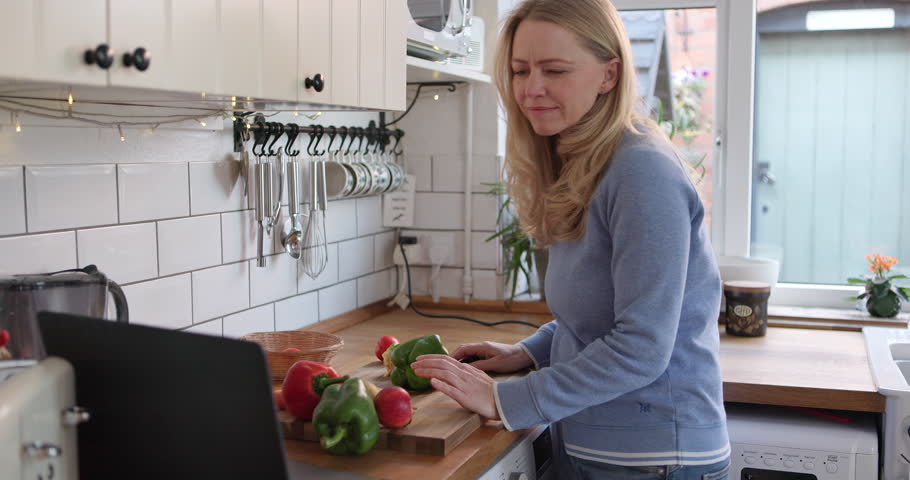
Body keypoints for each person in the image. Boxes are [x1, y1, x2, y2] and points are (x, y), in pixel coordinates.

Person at [410, 0, 730, 478]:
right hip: (604, 449)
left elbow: (641, 345)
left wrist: (506, 398)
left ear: (609, 74)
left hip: (655, 459)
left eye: (555, 70)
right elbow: (600, 313)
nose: (531, 89)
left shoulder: (641, 171)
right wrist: (529, 351)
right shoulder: (587, 163)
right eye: (520, 71)